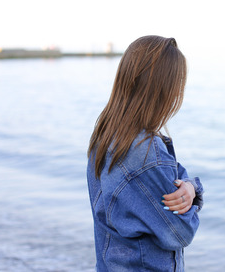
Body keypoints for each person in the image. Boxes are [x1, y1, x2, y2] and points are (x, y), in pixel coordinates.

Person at [87, 35, 204, 271]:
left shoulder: (106, 135)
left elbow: (175, 175)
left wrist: (191, 187)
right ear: (164, 89)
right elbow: (180, 232)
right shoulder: (145, 152)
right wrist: (194, 196)